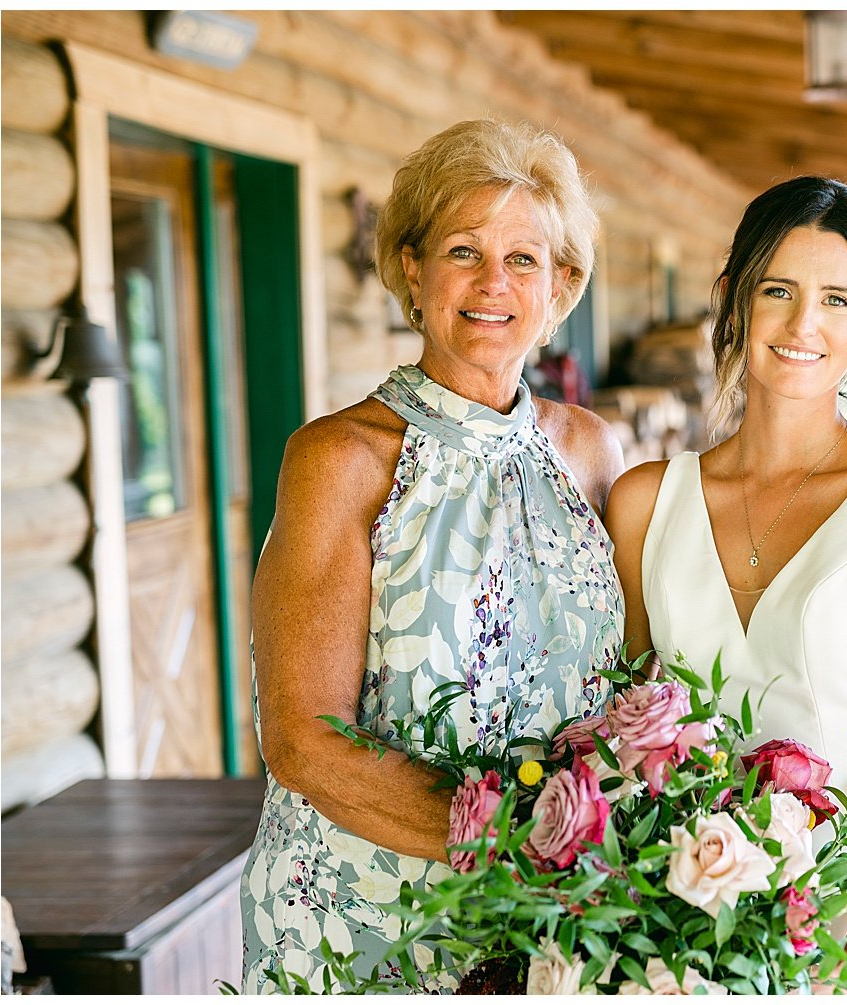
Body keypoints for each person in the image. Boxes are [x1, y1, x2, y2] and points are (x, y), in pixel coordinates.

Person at [240, 119, 625, 992]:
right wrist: (521, 849)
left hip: (556, 921)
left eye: (524, 259)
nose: (494, 283)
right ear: (413, 269)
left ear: (562, 284)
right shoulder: (338, 459)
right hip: (365, 916)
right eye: (463, 250)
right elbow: (302, 740)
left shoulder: (594, 452)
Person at [604, 176, 847, 994]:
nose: (802, 323)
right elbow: (624, 735)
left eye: (836, 299)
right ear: (734, 301)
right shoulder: (644, 503)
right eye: (776, 289)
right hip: (689, 949)